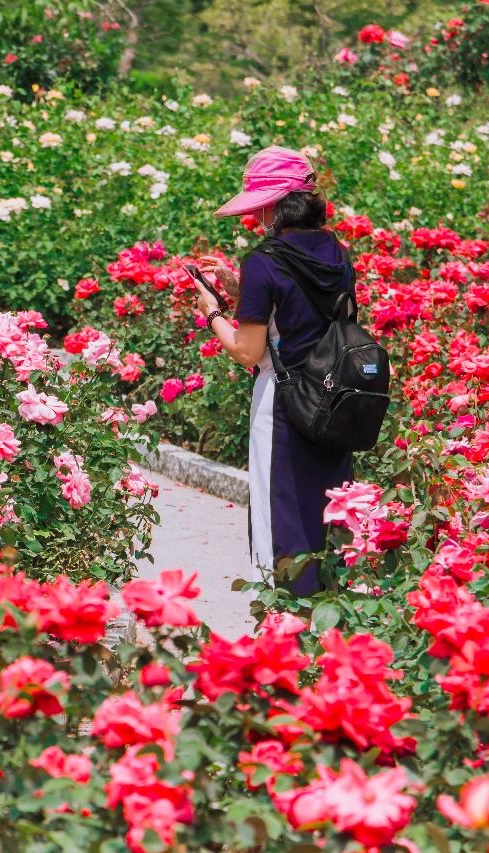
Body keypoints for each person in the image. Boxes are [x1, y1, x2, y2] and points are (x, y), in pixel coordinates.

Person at [192, 145, 356, 596]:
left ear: (273, 207)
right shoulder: (337, 254)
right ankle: (330, 607)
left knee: (279, 511)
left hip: (283, 403)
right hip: (332, 398)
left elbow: (248, 351)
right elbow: (306, 312)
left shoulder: (264, 260)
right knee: (327, 508)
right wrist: (241, 291)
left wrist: (213, 313)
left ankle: (285, 618)